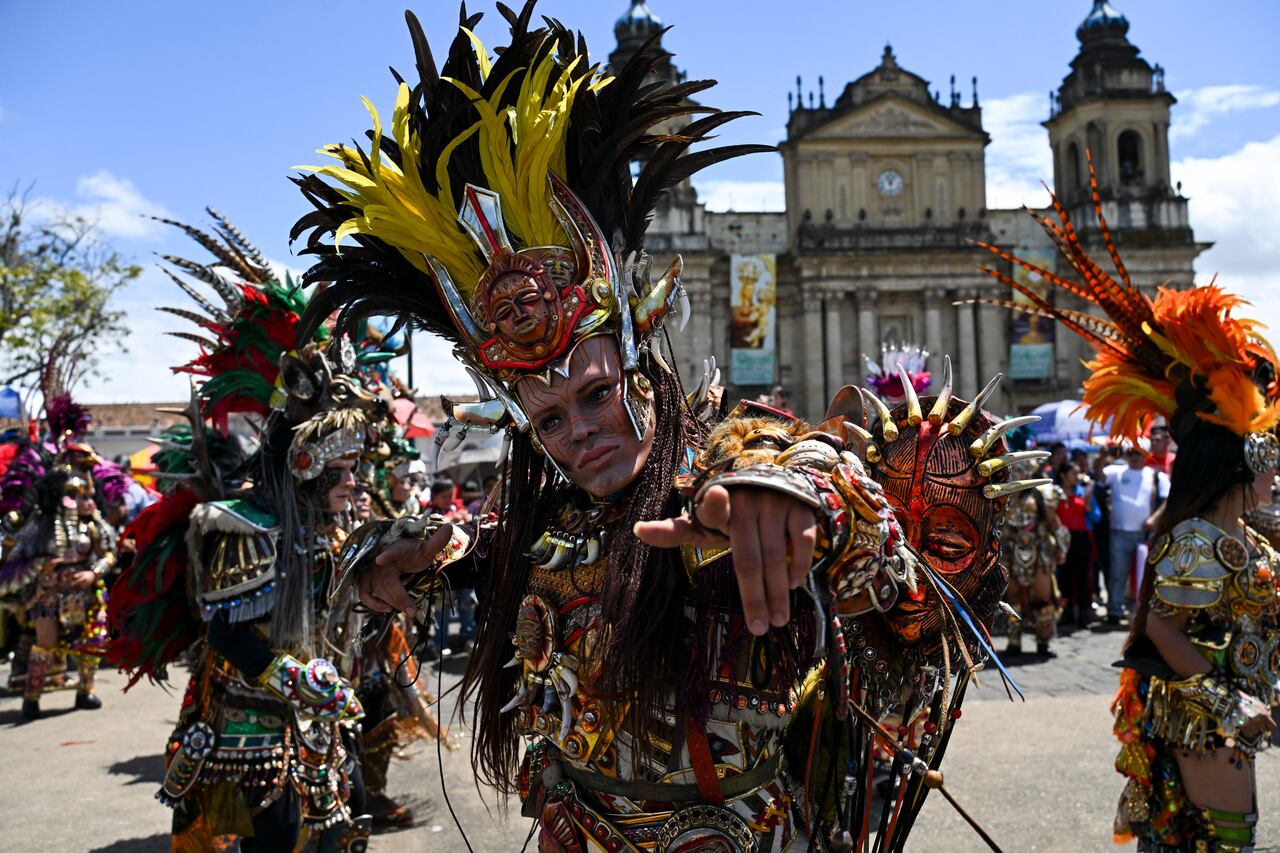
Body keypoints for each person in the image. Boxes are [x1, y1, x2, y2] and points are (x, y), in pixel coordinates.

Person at [291, 6, 1038, 847]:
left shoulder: (720, 475)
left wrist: (797, 499)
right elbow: (476, 560)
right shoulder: (555, 528)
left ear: (641, 363)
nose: (579, 431)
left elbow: (817, 488)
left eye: (597, 393)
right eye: (549, 419)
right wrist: (394, 562)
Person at [980, 167, 1280, 851]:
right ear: (1245, 458)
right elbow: (1161, 630)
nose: (1276, 466)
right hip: (1204, 722)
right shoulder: (1197, 540)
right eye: (1270, 448)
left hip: (1228, 722)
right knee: (1223, 840)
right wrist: (1230, 700)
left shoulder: (1250, 532)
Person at [104, 214, 381, 850]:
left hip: (314, 713)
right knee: (274, 839)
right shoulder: (248, 527)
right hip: (245, 719)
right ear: (306, 467)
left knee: (344, 827)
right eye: (342, 470)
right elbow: (228, 634)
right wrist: (299, 679)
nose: (353, 483)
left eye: (355, 469)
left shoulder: (326, 529)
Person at [1001, 481, 1070, 656]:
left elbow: (1054, 522)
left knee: (1043, 598)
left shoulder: (1042, 492)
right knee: (1013, 598)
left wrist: (1061, 548)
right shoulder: (1001, 491)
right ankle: (1013, 641)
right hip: (1010, 551)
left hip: (1039, 552)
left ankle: (1043, 641)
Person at [1105, 445, 1168, 626]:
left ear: (1145, 455)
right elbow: (1099, 478)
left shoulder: (1156, 475)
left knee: (1146, 574)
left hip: (1146, 534)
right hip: (1120, 532)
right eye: (1130, 453)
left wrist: (1154, 519)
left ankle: (1144, 610)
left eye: (1138, 454)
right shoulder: (1116, 472)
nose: (1134, 457)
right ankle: (1115, 610)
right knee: (1118, 573)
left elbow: (1166, 499)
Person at [1055, 461, 1096, 627]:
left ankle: (1085, 613)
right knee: (1064, 576)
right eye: (1074, 473)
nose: (1077, 476)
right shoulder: (1055, 493)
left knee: (1082, 576)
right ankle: (1068, 612)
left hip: (1080, 537)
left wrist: (1088, 496)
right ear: (1064, 476)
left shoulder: (1081, 491)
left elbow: (1088, 511)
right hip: (1063, 536)